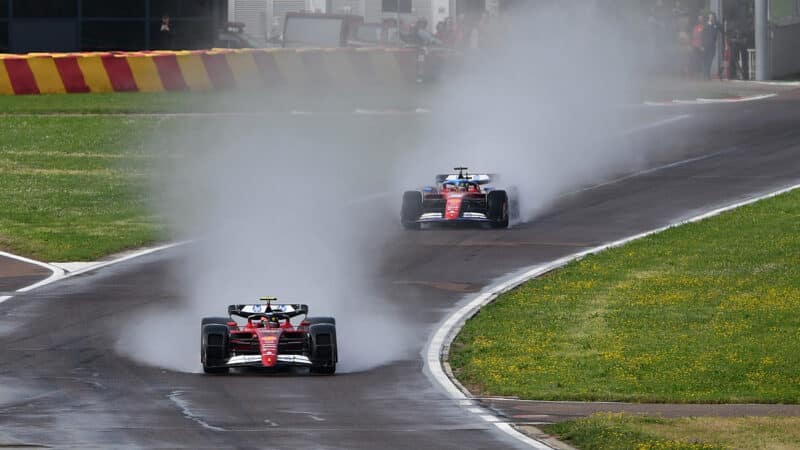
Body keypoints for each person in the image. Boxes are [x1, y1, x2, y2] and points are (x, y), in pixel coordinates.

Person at [702, 12, 720, 80]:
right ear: (708, 17)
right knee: (705, 60)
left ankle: (707, 75)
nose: (711, 18)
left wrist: (715, 25)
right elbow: (702, 35)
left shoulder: (715, 25)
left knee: (710, 60)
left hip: (712, 45)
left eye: (712, 17)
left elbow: (715, 34)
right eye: (710, 16)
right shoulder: (705, 25)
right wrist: (702, 45)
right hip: (706, 45)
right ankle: (705, 75)